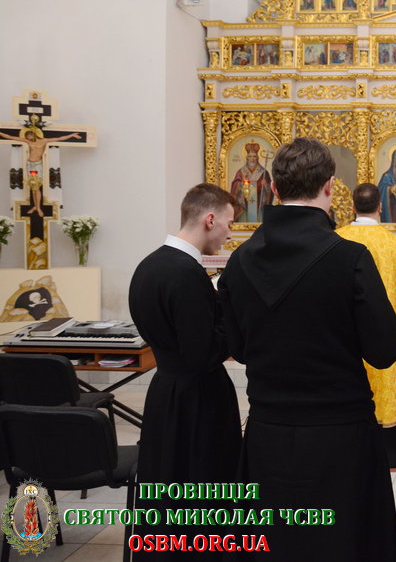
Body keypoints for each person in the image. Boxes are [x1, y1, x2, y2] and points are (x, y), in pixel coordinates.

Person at [219, 137, 396, 560]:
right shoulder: (350, 258)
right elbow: (384, 351)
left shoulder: (240, 261)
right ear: (330, 186)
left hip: (269, 431)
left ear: (274, 189)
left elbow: (238, 348)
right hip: (342, 436)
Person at [127, 183, 241, 558]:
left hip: (166, 392)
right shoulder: (186, 273)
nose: (229, 233)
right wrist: (232, 322)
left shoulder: (148, 266)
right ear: (209, 219)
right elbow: (202, 353)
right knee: (202, 491)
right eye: (228, 223)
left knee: (168, 487)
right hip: (199, 400)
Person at [336, 183, 396, 457]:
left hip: (346, 339)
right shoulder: (392, 244)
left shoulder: (337, 239)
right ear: (381, 207)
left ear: (353, 206)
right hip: (383, 338)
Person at [0, 123, 82, 216]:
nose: (28, 138)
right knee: (33, 186)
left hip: (38, 165)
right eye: (26, 136)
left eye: (29, 135)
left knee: (37, 187)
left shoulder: (44, 140)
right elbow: (11, 137)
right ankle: (36, 207)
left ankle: (37, 208)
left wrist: (72, 135)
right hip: (30, 165)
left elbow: (59, 138)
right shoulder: (28, 142)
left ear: (34, 134)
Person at [229, 141, 273, 222]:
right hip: (244, 208)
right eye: (250, 156)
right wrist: (241, 184)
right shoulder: (241, 172)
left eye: (254, 156)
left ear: (257, 158)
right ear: (247, 158)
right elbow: (234, 186)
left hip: (259, 208)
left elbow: (270, 190)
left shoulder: (264, 173)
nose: (252, 159)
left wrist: (266, 185)